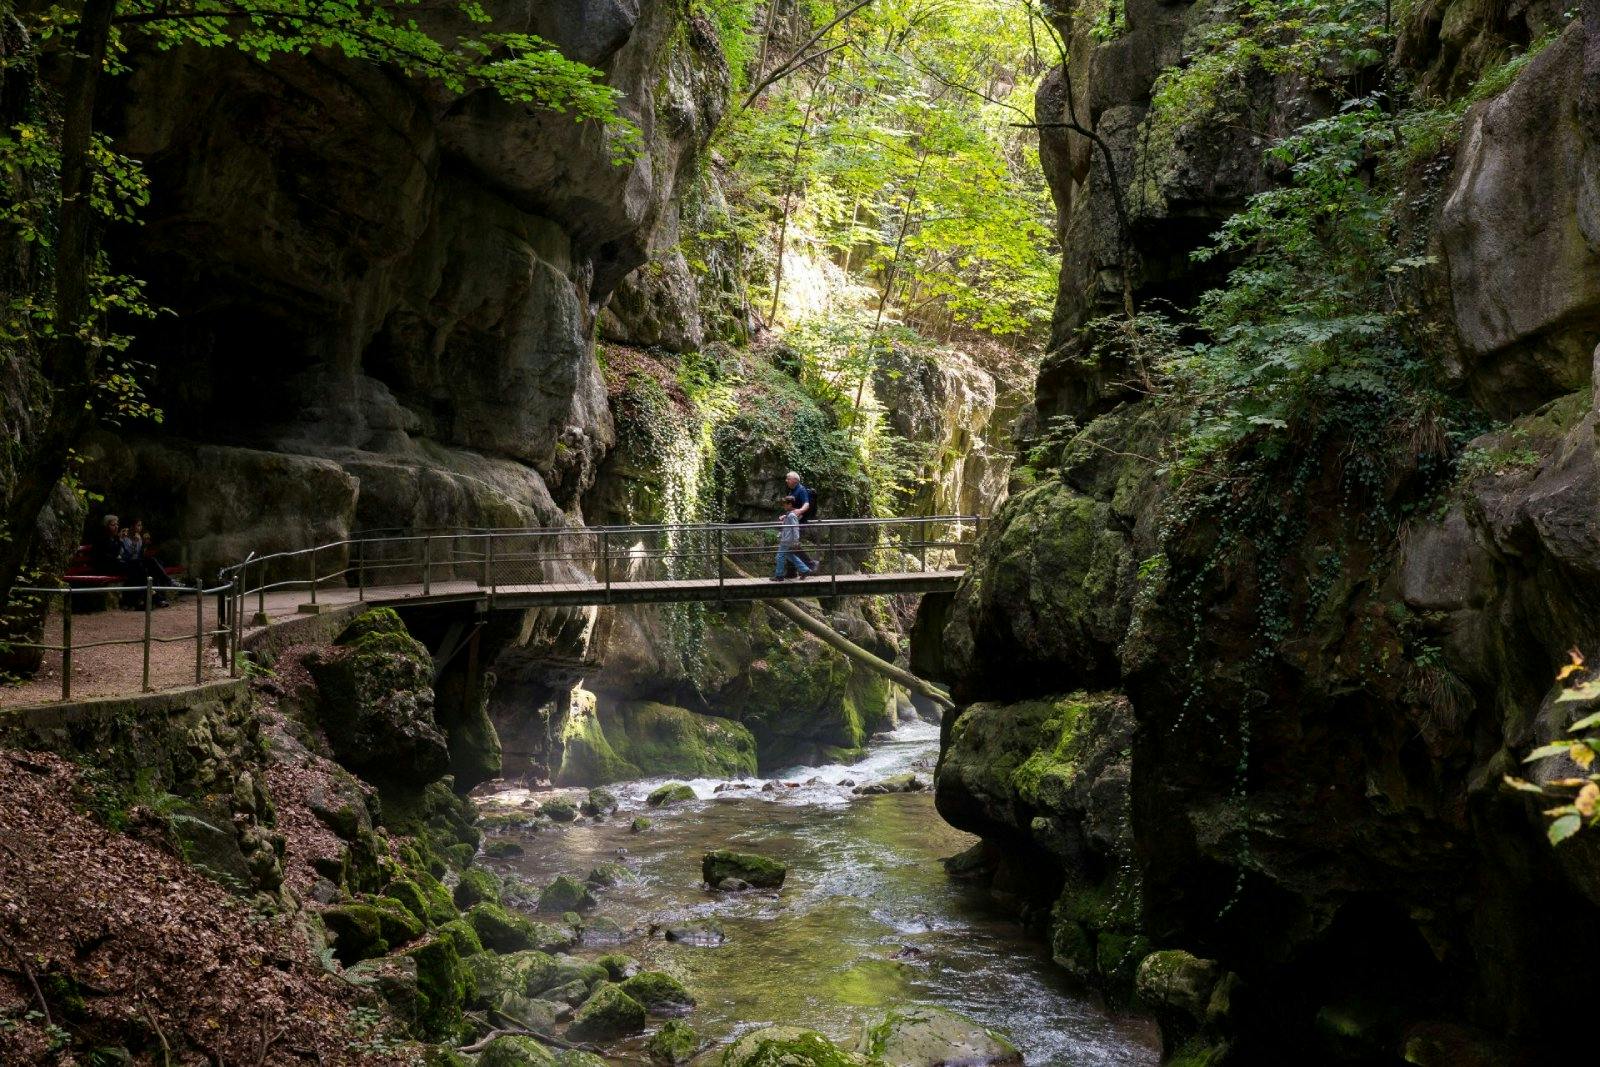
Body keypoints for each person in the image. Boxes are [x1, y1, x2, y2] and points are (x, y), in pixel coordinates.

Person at [771, 496, 813, 582]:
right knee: (790, 556)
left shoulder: (791, 515)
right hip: (787, 539)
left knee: (780, 556)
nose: (783, 506)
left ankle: (779, 575)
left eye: (785, 504)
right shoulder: (789, 514)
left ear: (790, 504)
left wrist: (796, 540)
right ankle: (805, 570)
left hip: (787, 540)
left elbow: (795, 528)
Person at [784, 471, 818, 572]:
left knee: (794, 546)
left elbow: (806, 504)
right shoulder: (792, 491)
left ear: (795, 480)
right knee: (790, 547)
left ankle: (810, 565)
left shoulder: (801, 490)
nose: (786, 480)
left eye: (788, 478)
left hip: (800, 523)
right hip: (793, 523)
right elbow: (792, 508)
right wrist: (785, 515)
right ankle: (793, 572)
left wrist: (800, 510)